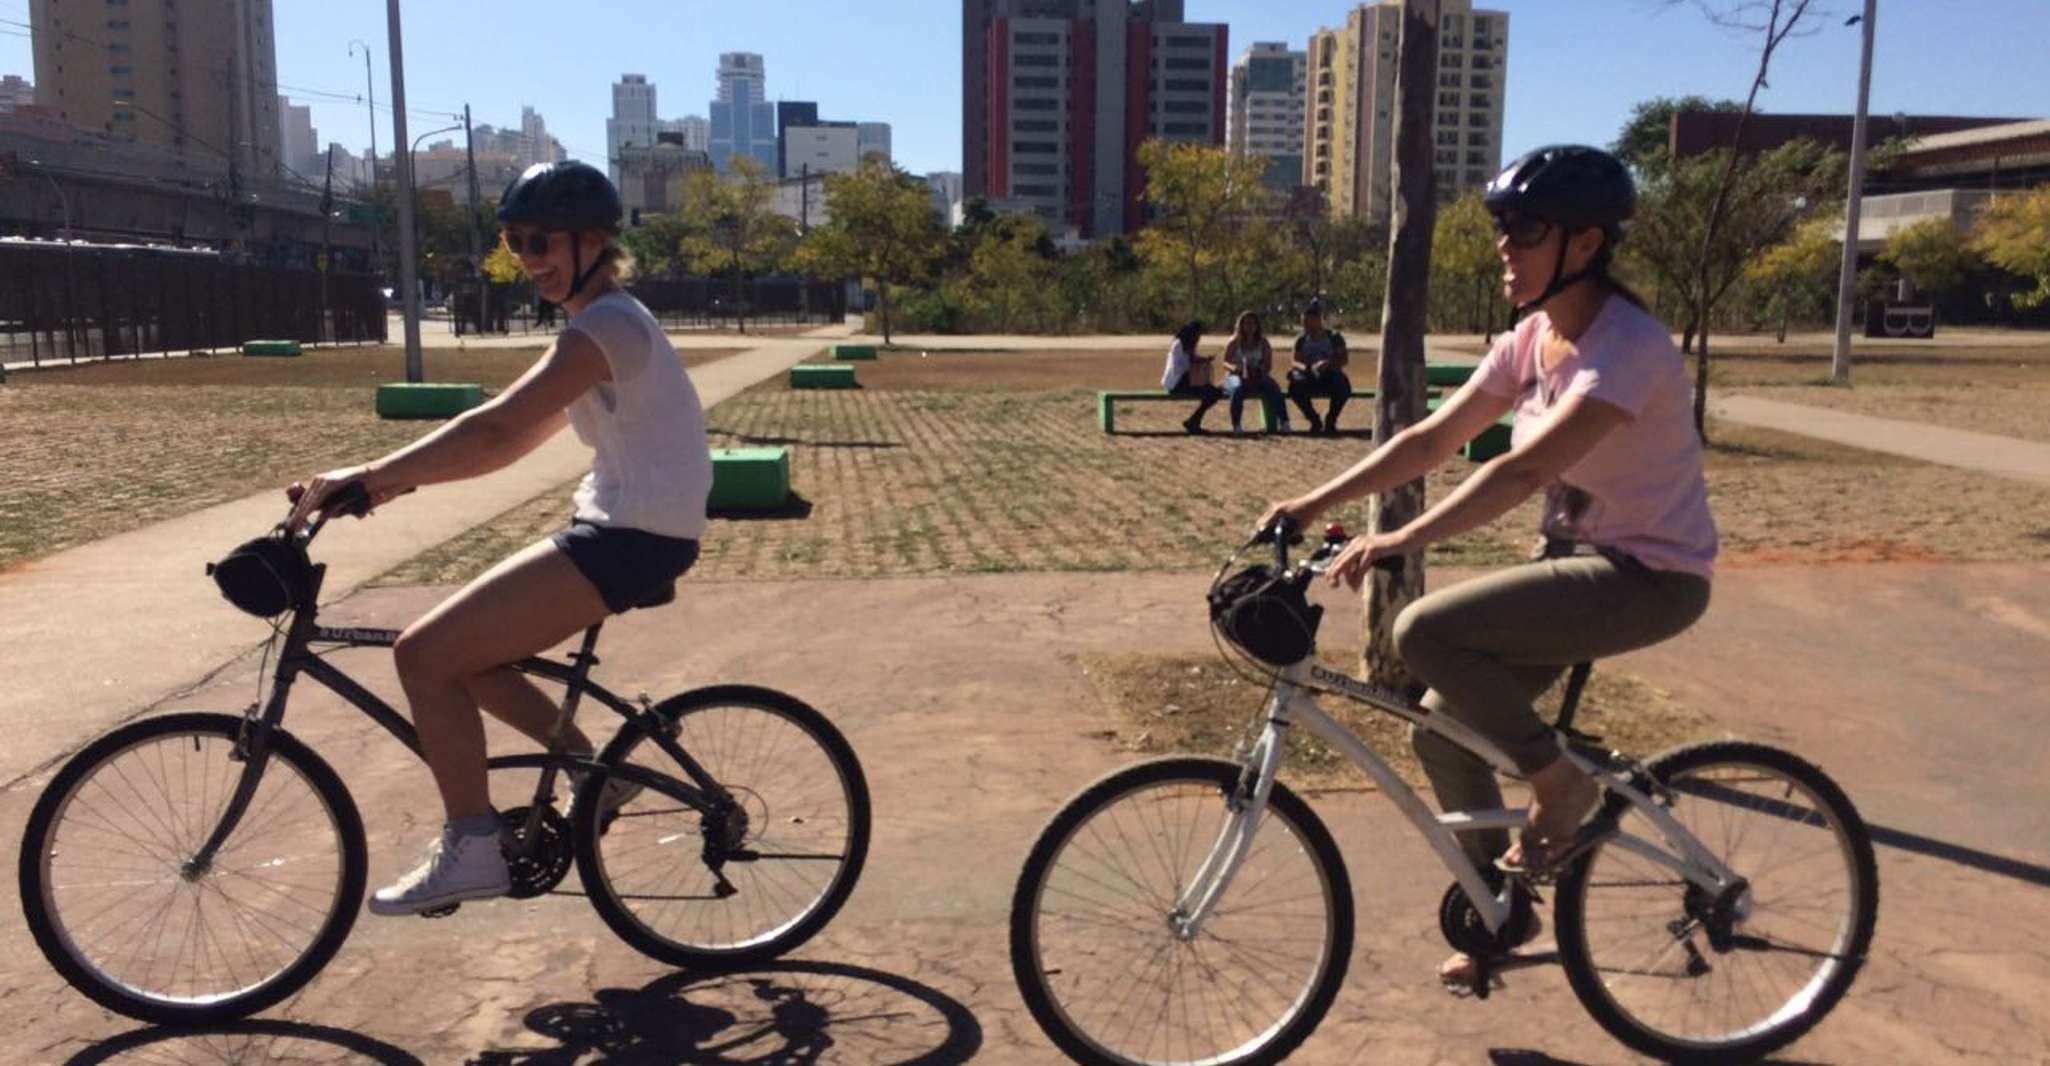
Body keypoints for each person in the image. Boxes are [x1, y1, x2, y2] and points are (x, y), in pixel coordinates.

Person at [1259, 145, 1715, 986]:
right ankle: (1501, 910)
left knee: (1425, 628)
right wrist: (1313, 502)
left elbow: (1522, 470)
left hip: (1651, 577)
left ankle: (1561, 788)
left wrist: (1401, 540)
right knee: (1441, 723)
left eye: (1526, 229)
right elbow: (1430, 438)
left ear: (1584, 243)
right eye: (1502, 227)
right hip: (1578, 566)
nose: (1506, 245)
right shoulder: (1534, 337)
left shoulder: (1628, 348)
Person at [284, 161, 714, 917]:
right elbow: (513, 442)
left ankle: (474, 846)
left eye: (542, 241)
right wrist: (386, 484)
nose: (530, 259)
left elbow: (496, 428)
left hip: (633, 536)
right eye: (517, 242)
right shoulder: (602, 324)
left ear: (592, 241)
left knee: (422, 654)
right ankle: (593, 770)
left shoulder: (605, 327)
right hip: (625, 527)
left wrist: (371, 472)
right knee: (462, 655)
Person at [1286, 299, 1352, 435]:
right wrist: (1307, 368)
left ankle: (1331, 419)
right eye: (1303, 322)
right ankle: (1313, 419)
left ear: (1318, 320)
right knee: (1294, 387)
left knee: (1343, 386)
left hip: (1330, 374)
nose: (1305, 326)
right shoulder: (1301, 339)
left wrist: (1328, 363)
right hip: (1309, 375)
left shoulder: (1334, 337)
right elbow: (1294, 361)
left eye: (1308, 321)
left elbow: (1343, 359)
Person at [1220, 310, 1290, 435]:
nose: (1249, 327)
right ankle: (1236, 425)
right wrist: (1234, 368)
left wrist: (1259, 371)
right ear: (1240, 325)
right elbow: (1225, 362)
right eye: (1246, 323)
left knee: (1273, 386)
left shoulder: (1263, 343)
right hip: (1235, 376)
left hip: (1257, 375)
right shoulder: (1234, 342)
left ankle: (1284, 421)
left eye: (1252, 323)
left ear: (1257, 326)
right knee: (1237, 390)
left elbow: (1268, 365)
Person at [1160, 320, 1223, 434]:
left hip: (1187, 381)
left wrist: (1204, 360)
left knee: (1214, 393)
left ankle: (1193, 421)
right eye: (1198, 334)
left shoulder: (1190, 346)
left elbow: (1193, 359)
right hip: (1176, 384)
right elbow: (1177, 368)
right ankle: (1193, 422)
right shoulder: (1178, 345)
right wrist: (1193, 362)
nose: (1199, 338)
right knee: (1212, 392)